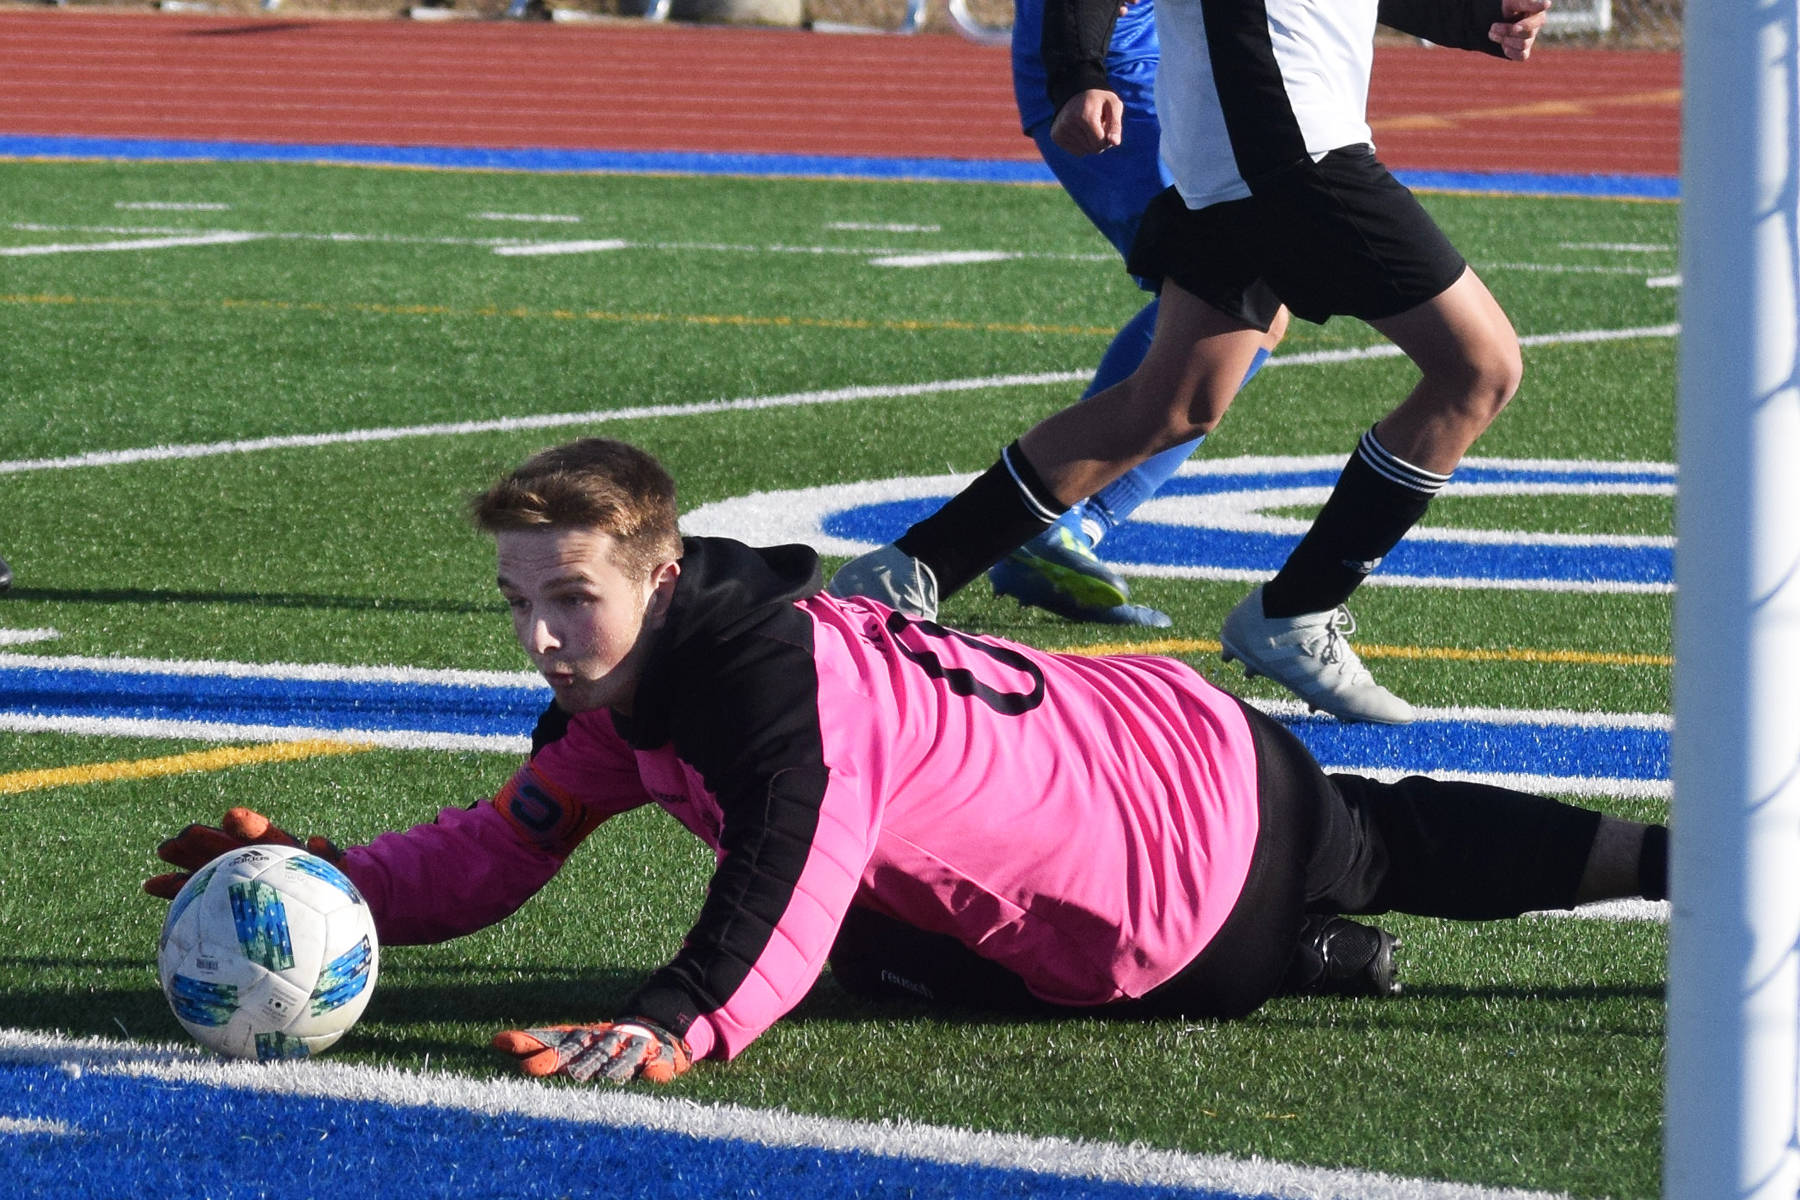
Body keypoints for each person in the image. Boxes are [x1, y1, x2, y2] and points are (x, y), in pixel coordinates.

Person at [145, 438, 1668, 1086]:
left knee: (858, 946)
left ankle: (1299, 954)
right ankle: (1671, 858)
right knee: (1384, 828)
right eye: (521, 603)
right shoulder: (666, 666)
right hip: (1196, 740)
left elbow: (787, 879)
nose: (542, 635)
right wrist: (339, 885)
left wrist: (680, 1021)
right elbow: (502, 842)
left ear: (661, 577)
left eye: (569, 598)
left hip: (1173, 921)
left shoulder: (761, 700)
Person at [829, 0, 1553, 725]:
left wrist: (1474, 21)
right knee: (1478, 369)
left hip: (1248, 148)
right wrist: (1080, 73)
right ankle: (1299, 610)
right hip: (1289, 144)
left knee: (1172, 406)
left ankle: (907, 571)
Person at [994, 0, 1289, 628]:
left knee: (1255, 303)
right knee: (1231, 293)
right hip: (1114, 68)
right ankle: (1052, 516)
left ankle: (1062, 521)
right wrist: (1082, 70)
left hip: (1176, 58)